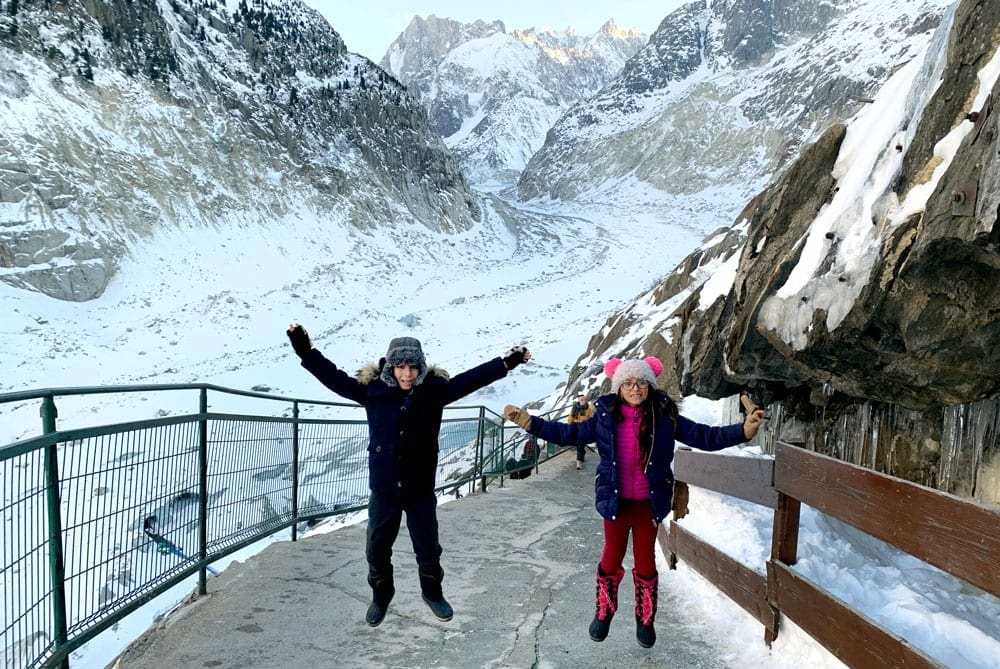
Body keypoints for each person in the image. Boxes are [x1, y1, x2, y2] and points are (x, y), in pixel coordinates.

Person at [504, 356, 763, 649]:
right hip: (615, 504)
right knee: (610, 557)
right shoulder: (604, 416)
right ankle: (604, 612)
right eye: (627, 383)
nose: (635, 388)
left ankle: (645, 619)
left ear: (650, 385)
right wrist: (529, 422)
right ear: (618, 386)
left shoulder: (665, 416)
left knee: (645, 563)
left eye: (641, 382)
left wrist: (743, 431)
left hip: (648, 506)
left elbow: (703, 436)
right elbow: (569, 434)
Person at [287, 324, 530, 627]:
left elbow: (472, 379)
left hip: (419, 487)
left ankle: (432, 592)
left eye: (413, 366)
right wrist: (305, 350)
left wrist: (507, 362)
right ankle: (381, 594)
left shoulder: (434, 392)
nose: (407, 374)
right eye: (400, 366)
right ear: (390, 367)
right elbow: (333, 377)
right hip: (385, 487)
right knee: (376, 548)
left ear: (421, 366)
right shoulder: (372, 391)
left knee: (428, 546)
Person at [567, 394, 595, 469]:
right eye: (581, 400)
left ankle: (578, 463)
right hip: (576, 428)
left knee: (580, 444)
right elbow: (570, 418)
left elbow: (591, 418)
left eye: (584, 399)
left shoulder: (588, 408)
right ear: (578, 401)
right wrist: (570, 426)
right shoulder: (574, 408)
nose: (583, 401)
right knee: (580, 445)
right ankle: (581, 456)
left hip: (584, 429)